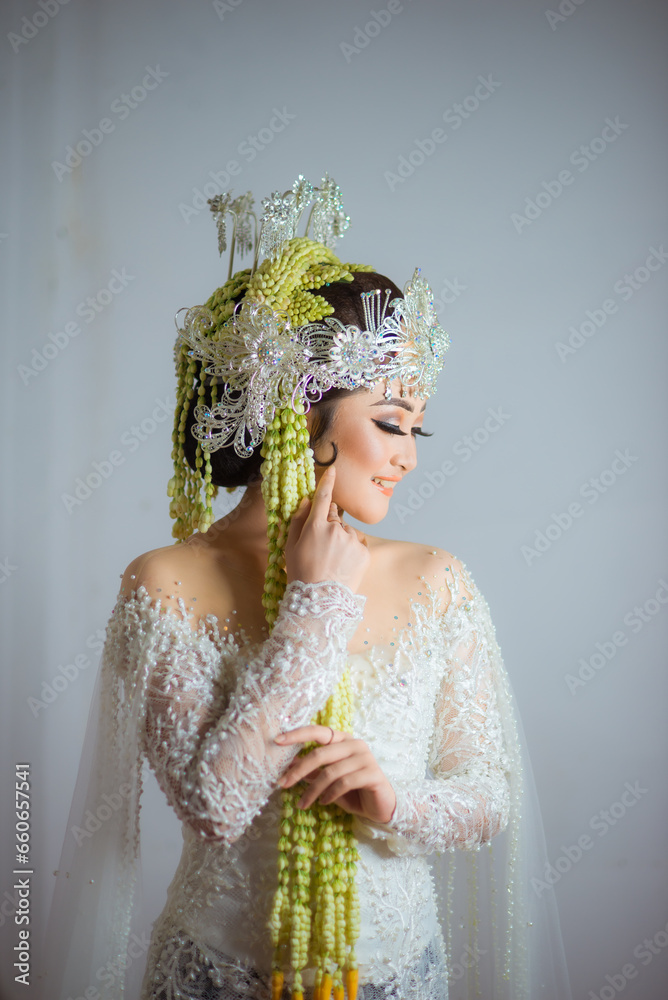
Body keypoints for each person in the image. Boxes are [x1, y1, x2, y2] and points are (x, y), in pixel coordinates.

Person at [38, 175, 572, 1000]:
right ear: (299, 410)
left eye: (416, 428)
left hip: (396, 976)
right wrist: (317, 606)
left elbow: (488, 797)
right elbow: (216, 804)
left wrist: (391, 799)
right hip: (216, 979)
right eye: (390, 423)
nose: (409, 455)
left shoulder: (436, 581)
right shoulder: (167, 584)